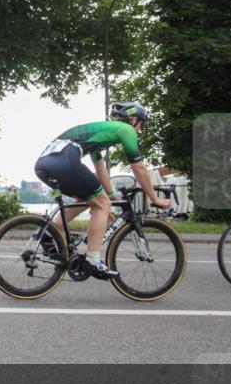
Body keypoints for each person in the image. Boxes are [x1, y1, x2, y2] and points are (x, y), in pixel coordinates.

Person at [33, 101, 170, 279]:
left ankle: (48, 233)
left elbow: (100, 169)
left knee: (90, 199)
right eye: (141, 123)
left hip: (44, 164)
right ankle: (93, 260)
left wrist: (111, 196)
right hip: (65, 161)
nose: (140, 129)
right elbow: (138, 168)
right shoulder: (125, 129)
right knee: (101, 204)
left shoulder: (98, 134)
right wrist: (155, 198)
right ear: (134, 119)